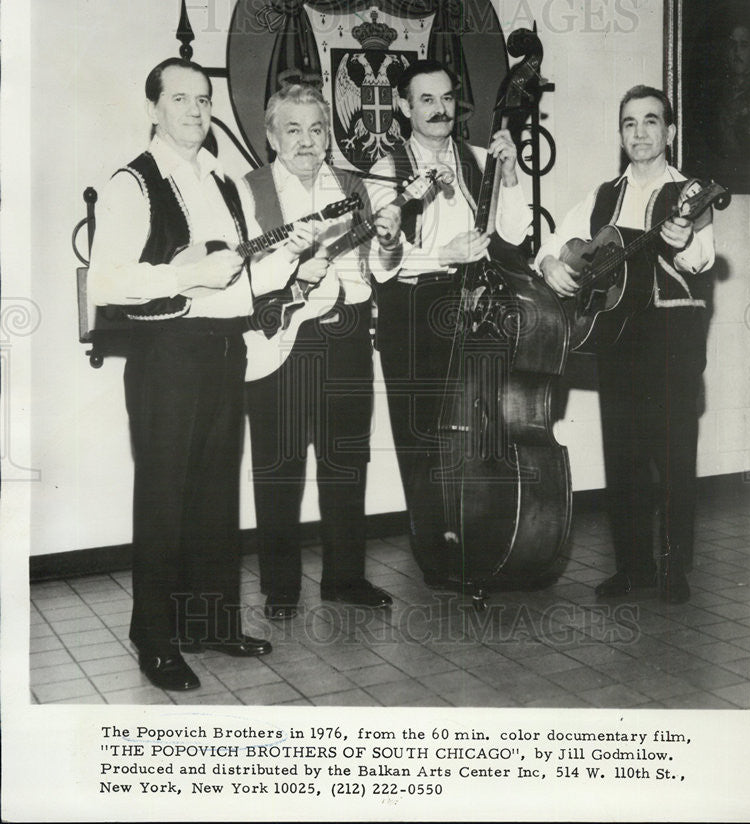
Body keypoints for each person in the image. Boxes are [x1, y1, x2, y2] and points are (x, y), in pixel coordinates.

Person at [87, 58, 312, 691]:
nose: (195, 109)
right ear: (153, 107)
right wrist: (186, 275)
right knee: (163, 497)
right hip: (167, 353)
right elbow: (108, 282)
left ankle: (212, 622)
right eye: (180, 98)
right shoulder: (130, 184)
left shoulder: (226, 182)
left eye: (203, 98)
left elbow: (242, 281)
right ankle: (153, 636)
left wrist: (290, 259)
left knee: (216, 493)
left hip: (224, 348)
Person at [535, 84, 715, 604]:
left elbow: (702, 257)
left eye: (651, 121)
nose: (640, 132)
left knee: (673, 456)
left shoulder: (689, 193)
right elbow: (557, 243)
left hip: (671, 338)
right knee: (624, 457)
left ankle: (673, 568)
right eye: (630, 123)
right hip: (616, 338)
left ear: (670, 132)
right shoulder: (603, 195)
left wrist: (682, 245)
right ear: (620, 134)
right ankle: (632, 567)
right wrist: (552, 267)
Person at [368, 59, 532, 587]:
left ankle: (482, 533)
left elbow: (513, 233)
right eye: (426, 100)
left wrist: (510, 178)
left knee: (481, 428)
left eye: (446, 99)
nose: (439, 110)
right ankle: (434, 550)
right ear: (403, 106)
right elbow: (383, 258)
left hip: (478, 306)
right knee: (422, 436)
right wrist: (445, 254)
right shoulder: (383, 169)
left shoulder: (478, 158)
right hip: (414, 311)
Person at [243, 83, 402, 621]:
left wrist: (388, 243)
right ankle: (281, 586)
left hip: (349, 335)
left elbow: (382, 270)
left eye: (316, 128)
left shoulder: (356, 186)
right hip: (282, 339)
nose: (307, 141)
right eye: (293, 129)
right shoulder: (249, 189)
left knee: (345, 462)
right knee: (279, 467)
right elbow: (240, 275)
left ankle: (345, 578)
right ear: (271, 137)